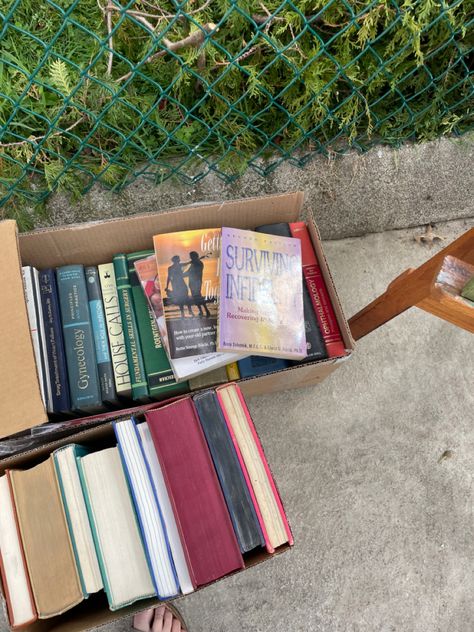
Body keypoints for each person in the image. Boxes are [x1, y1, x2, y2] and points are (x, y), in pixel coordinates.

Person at [185, 251, 211, 318]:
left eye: (191, 256)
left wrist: (181, 274)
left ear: (194, 256)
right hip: (193, 283)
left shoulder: (198, 263)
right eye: (190, 257)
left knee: (198, 297)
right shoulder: (195, 263)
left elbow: (190, 273)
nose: (190, 258)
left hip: (196, 283)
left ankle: (207, 311)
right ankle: (202, 311)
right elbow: (188, 272)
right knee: (196, 297)